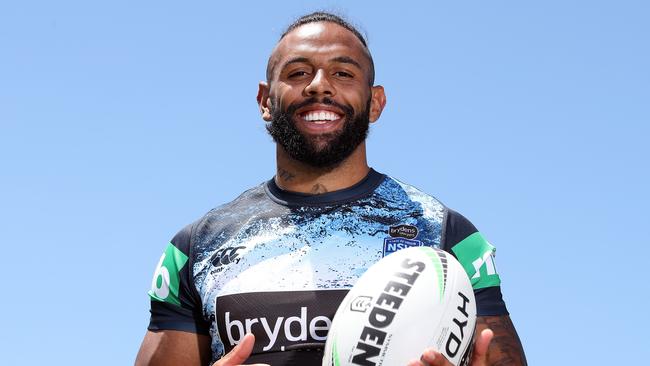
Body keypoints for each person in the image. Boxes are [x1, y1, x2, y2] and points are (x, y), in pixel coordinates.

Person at [135, 11, 527, 366]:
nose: (319, 87)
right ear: (264, 100)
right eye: (298, 73)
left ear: (375, 103)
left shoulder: (447, 236)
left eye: (343, 73)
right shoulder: (196, 247)